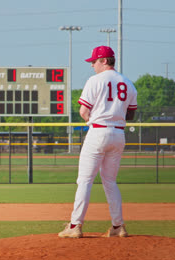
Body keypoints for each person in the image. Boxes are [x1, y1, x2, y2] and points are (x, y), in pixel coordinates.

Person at [58, 46, 137, 238]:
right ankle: (118, 226)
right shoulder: (128, 83)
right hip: (118, 134)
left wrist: (96, 119)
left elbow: (84, 112)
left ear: (104, 61)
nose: (92, 65)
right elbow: (131, 114)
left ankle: (75, 225)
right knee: (110, 181)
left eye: (94, 61)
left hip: (98, 131)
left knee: (85, 180)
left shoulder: (94, 80)